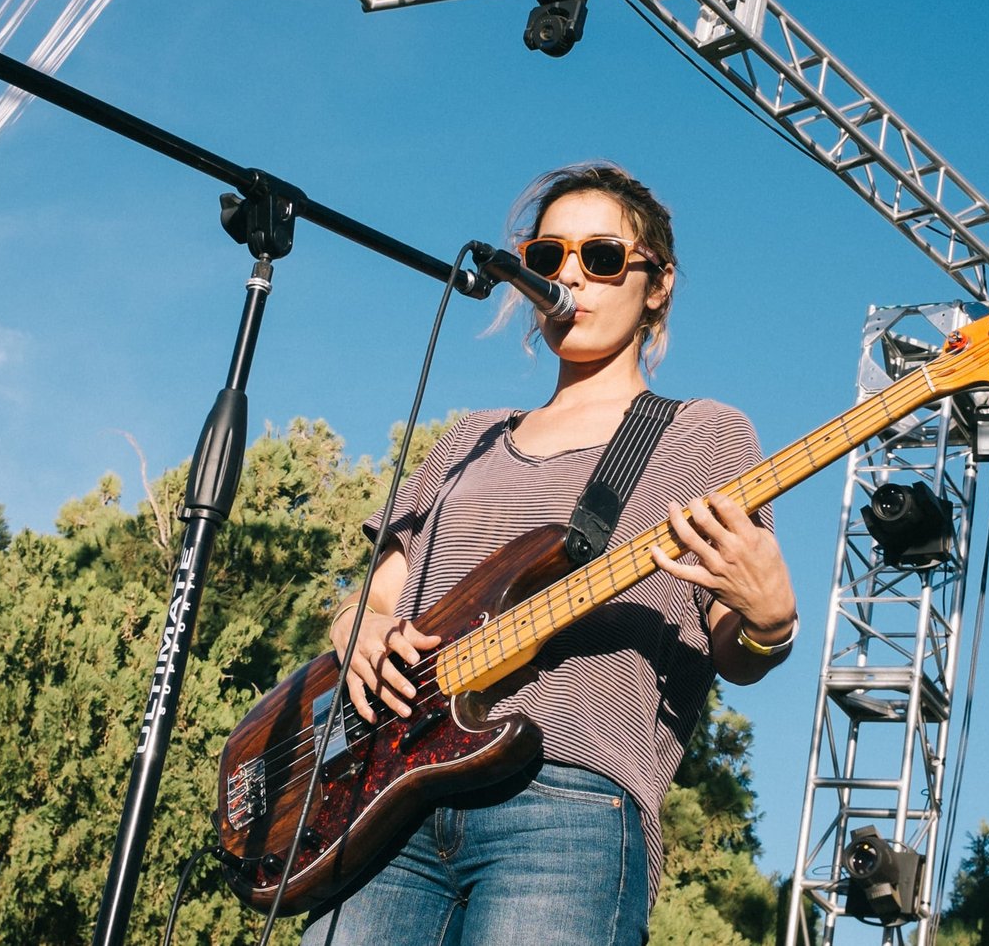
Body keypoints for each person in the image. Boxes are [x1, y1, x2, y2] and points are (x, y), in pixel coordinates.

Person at [302, 163, 797, 946]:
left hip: (563, 804)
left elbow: (735, 641)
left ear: (658, 284)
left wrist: (770, 622)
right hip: (383, 799)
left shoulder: (703, 432)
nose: (570, 274)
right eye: (547, 256)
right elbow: (376, 595)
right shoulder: (470, 437)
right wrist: (355, 626)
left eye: (601, 256)